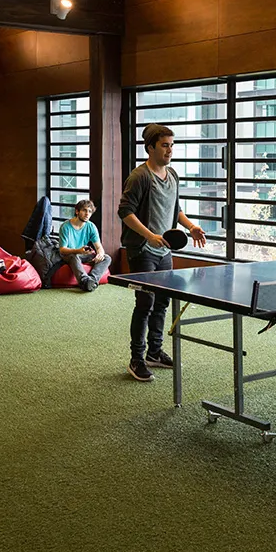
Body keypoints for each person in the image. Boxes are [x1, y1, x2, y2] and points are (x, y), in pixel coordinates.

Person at [118, 123, 206, 382]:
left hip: (164, 250)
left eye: (172, 145)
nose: (170, 150)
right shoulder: (140, 177)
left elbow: (175, 209)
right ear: (150, 148)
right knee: (145, 303)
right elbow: (125, 212)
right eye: (165, 145)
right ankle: (137, 358)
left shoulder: (173, 175)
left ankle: (155, 352)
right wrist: (150, 236)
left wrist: (191, 227)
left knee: (163, 301)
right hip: (142, 249)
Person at [58, 199, 110, 292]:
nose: (87, 214)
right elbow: (62, 250)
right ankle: (84, 281)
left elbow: (99, 247)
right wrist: (78, 251)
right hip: (69, 254)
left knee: (107, 258)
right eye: (84, 210)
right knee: (74, 256)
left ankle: (92, 280)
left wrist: (100, 254)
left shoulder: (91, 226)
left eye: (90, 211)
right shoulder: (65, 226)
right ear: (77, 211)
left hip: (83, 254)